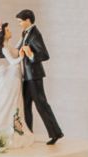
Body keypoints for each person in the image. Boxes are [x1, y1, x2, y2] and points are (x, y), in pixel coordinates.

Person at [14, 9, 63, 145]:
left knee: (41, 104)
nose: (19, 24)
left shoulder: (35, 34)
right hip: (26, 77)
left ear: (28, 20)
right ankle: (28, 134)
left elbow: (45, 55)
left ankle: (56, 133)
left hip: (34, 76)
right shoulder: (25, 33)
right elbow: (16, 50)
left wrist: (31, 55)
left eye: (20, 21)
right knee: (26, 106)